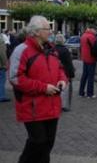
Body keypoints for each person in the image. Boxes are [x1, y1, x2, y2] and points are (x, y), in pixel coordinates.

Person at [9, 15, 68, 163]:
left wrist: (62, 79)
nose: (51, 31)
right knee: (38, 142)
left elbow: (60, 68)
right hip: (32, 107)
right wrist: (43, 88)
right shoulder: (21, 50)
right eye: (47, 28)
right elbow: (15, 78)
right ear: (36, 32)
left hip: (52, 106)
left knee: (48, 144)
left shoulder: (52, 49)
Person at [55, 34, 75, 111]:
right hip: (65, 72)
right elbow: (69, 63)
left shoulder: (53, 49)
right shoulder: (65, 50)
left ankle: (56, 104)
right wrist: (71, 74)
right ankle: (63, 106)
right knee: (65, 90)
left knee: (56, 88)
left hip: (55, 71)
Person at [79, 25, 97, 98]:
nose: (96, 31)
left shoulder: (83, 36)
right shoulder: (91, 37)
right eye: (95, 30)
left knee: (84, 76)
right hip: (91, 59)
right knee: (91, 77)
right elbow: (95, 47)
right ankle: (90, 94)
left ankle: (81, 92)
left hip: (84, 58)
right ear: (92, 29)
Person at [0, 34, 10, 102]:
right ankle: (1, 96)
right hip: (0, 65)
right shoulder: (0, 40)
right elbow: (2, 53)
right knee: (2, 80)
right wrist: (5, 64)